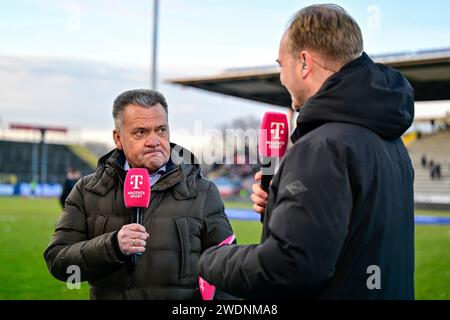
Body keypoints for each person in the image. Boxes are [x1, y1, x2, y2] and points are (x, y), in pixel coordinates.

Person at [198, 4, 415, 299]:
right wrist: (282, 204)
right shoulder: (390, 142)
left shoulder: (322, 147)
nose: (281, 78)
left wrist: (211, 260)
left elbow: (290, 267)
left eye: (280, 64)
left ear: (304, 63)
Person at [44, 89, 235, 300]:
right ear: (118, 138)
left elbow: (227, 271)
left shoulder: (202, 191)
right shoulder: (87, 190)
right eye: (140, 132)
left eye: (161, 130)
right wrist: (112, 246)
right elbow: (58, 261)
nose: (154, 140)